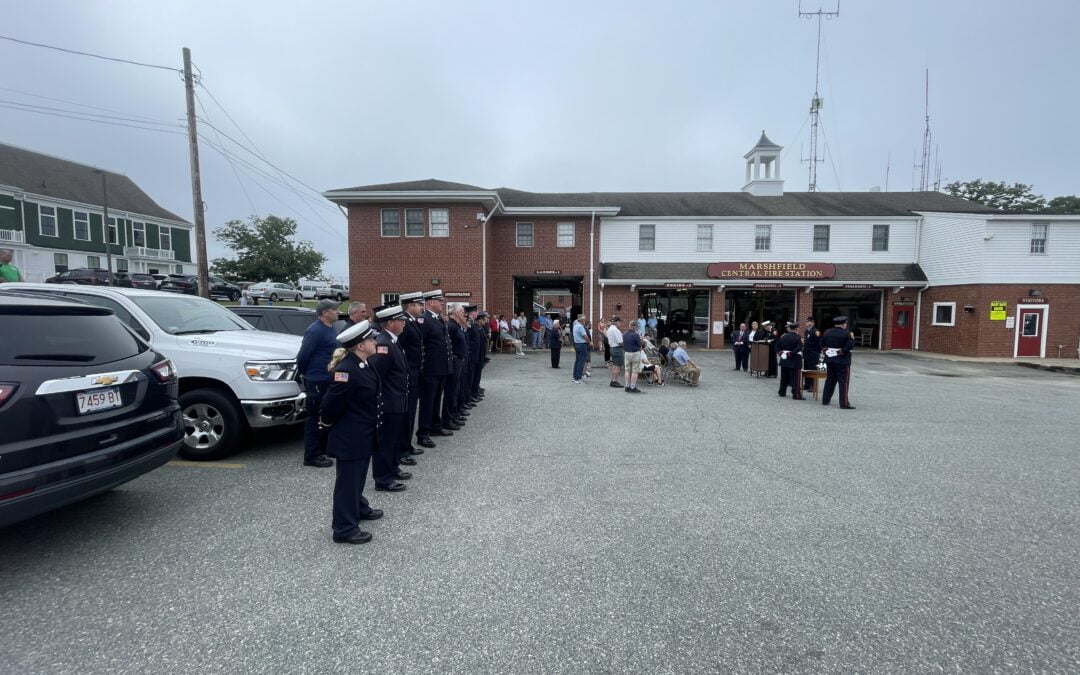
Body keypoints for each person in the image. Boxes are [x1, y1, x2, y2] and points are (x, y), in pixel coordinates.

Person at [320, 320, 383, 544]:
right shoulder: (346, 370)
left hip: (363, 433)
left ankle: (358, 506)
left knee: (358, 477)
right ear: (360, 345)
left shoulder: (363, 364)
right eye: (371, 339)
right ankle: (344, 528)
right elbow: (330, 406)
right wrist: (326, 425)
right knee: (348, 482)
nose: (375, 341)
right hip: (350, 436)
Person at [369, 306, 411, 492]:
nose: (404, 323)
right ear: (390, 323)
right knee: (385, 441)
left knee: (393, 438)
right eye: (400, 320)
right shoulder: (384, 344)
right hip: (389, 402)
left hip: (398, 399)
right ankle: (383, 478)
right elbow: (377, 375)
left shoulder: (393, 341)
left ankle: (393, 468)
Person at [295, 299, 340, 468]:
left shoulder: (330, 329)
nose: (337, 311)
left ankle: (322, 449)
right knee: (314, 418)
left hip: (327, 378)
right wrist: (306, 374)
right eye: (333, 309)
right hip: (316, 379)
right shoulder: (315, 330)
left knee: (325, 415)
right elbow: (303, 356)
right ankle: (311, 455)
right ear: (324, 313)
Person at [418, 290, 452, 444]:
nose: (442, 303)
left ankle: (435, 426)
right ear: (430, 303)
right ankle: (423, 433)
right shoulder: (424, 320)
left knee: (437, 399)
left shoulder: (437, 319)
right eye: (440, 301)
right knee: (428, 401)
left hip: (440, 367)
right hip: (430, 368)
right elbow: (421, 345)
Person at [397, 292, 427, 451]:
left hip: (416, 372)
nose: (422, 307)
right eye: (419, 304)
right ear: (410, 305)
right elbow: (399, 349)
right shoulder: (405, 322)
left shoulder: (412, 321)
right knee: (407, 413)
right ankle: (403, 447)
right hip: (409, 373)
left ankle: (406, 444)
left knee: (410, 412)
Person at [443, 303, 469, 431]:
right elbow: (448, 345)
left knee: (456, 390)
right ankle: (447, 419)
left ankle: (453, 415)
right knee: (451, 391)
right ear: (455, 312)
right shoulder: (451, 326)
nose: (463, 313)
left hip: (459, 360)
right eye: (462, 311)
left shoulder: (457, 325)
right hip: (454, 361)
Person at [821, 315, 856, 409]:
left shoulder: (827, 332)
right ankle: (844, 403)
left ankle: (825, 400)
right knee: (843, 382)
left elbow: (821, 344)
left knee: (830, 380)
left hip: (830, 359)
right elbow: (850, 346)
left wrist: (827, 351)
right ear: (844, 324)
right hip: (842, 360)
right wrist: (840, 352)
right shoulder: (847, 333)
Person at [776, 321, 804, 400]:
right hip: (794, 359)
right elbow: (799, 347)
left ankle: (782, 392)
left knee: (784, 377)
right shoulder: (798, 337)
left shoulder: (783, 336)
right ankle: (796, 394)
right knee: (795, 378)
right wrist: (791, 353)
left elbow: (778, 347)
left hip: (784, 359)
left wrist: (781, 353)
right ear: (796, 328)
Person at [622, 321, 645, 393]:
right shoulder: (636, 335)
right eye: (636, 326)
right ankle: (633, 387)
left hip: (627, 353)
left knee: (627, 370)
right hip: (635, 353)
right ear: (634, 326)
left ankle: (626, 386)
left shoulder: (624, 334)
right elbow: (640, 345)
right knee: (635, 371)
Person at [802, 316, 822, 392]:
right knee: (806, 369)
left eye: (807, 321)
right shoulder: (806, 331)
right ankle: (807, 385)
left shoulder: (816, 332)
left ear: (812, 322)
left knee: (813, 370)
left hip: (813, 354)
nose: (806, 322)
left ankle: (813, 386)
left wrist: (817, 353)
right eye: (806, 321)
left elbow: (819, 344)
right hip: (806, 353)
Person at [606, 316, 624, 388]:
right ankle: (614, 381)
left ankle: (613, 380)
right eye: (620, 322)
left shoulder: (610, 329)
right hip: (617, 348)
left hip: (612, 348)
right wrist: (625, 346)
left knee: (614, 365)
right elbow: (620, 342)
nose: (620, 324)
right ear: (617, 322)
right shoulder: (616, 330)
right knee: (617, 366)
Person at [571, 314, 589, 383]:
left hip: (577, 344)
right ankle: (578, 378)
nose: (585, 321)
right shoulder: (580, 327)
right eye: (584, 319)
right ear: (581, 320)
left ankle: (575, 376)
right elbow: (585, 336)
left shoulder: (575, 326)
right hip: (582, 344)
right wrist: (589, 342)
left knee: (578, 361)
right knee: (581, 361)